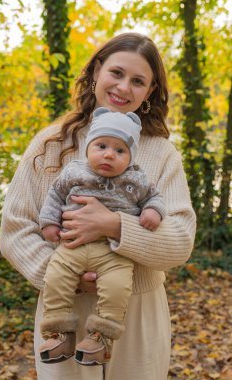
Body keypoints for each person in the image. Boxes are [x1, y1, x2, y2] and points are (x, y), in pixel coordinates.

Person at [0, 32, 196, 380]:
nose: (124, 87)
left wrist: (115, 225)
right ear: (96, 72)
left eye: (138, 81)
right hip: (64, 306)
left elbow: (180, 240)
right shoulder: (50, 143)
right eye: (116, 73)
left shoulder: (162, 153)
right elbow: (15, 228)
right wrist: (65, 275)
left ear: (149, 92)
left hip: (136, 311)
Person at [38, 107, 167, 366]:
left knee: (117, 288)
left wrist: (153, 211)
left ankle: (101, 337)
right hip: (71, 246)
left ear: (130, 157)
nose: (109, 154)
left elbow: (154, 197)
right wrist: (49, 222)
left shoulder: (136, 178)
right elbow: (54, 195)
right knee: (55, 279)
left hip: (114, 253)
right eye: (101, 146)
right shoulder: (74, 171)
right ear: (88, 148)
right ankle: (60, 333)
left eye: (120, 151)